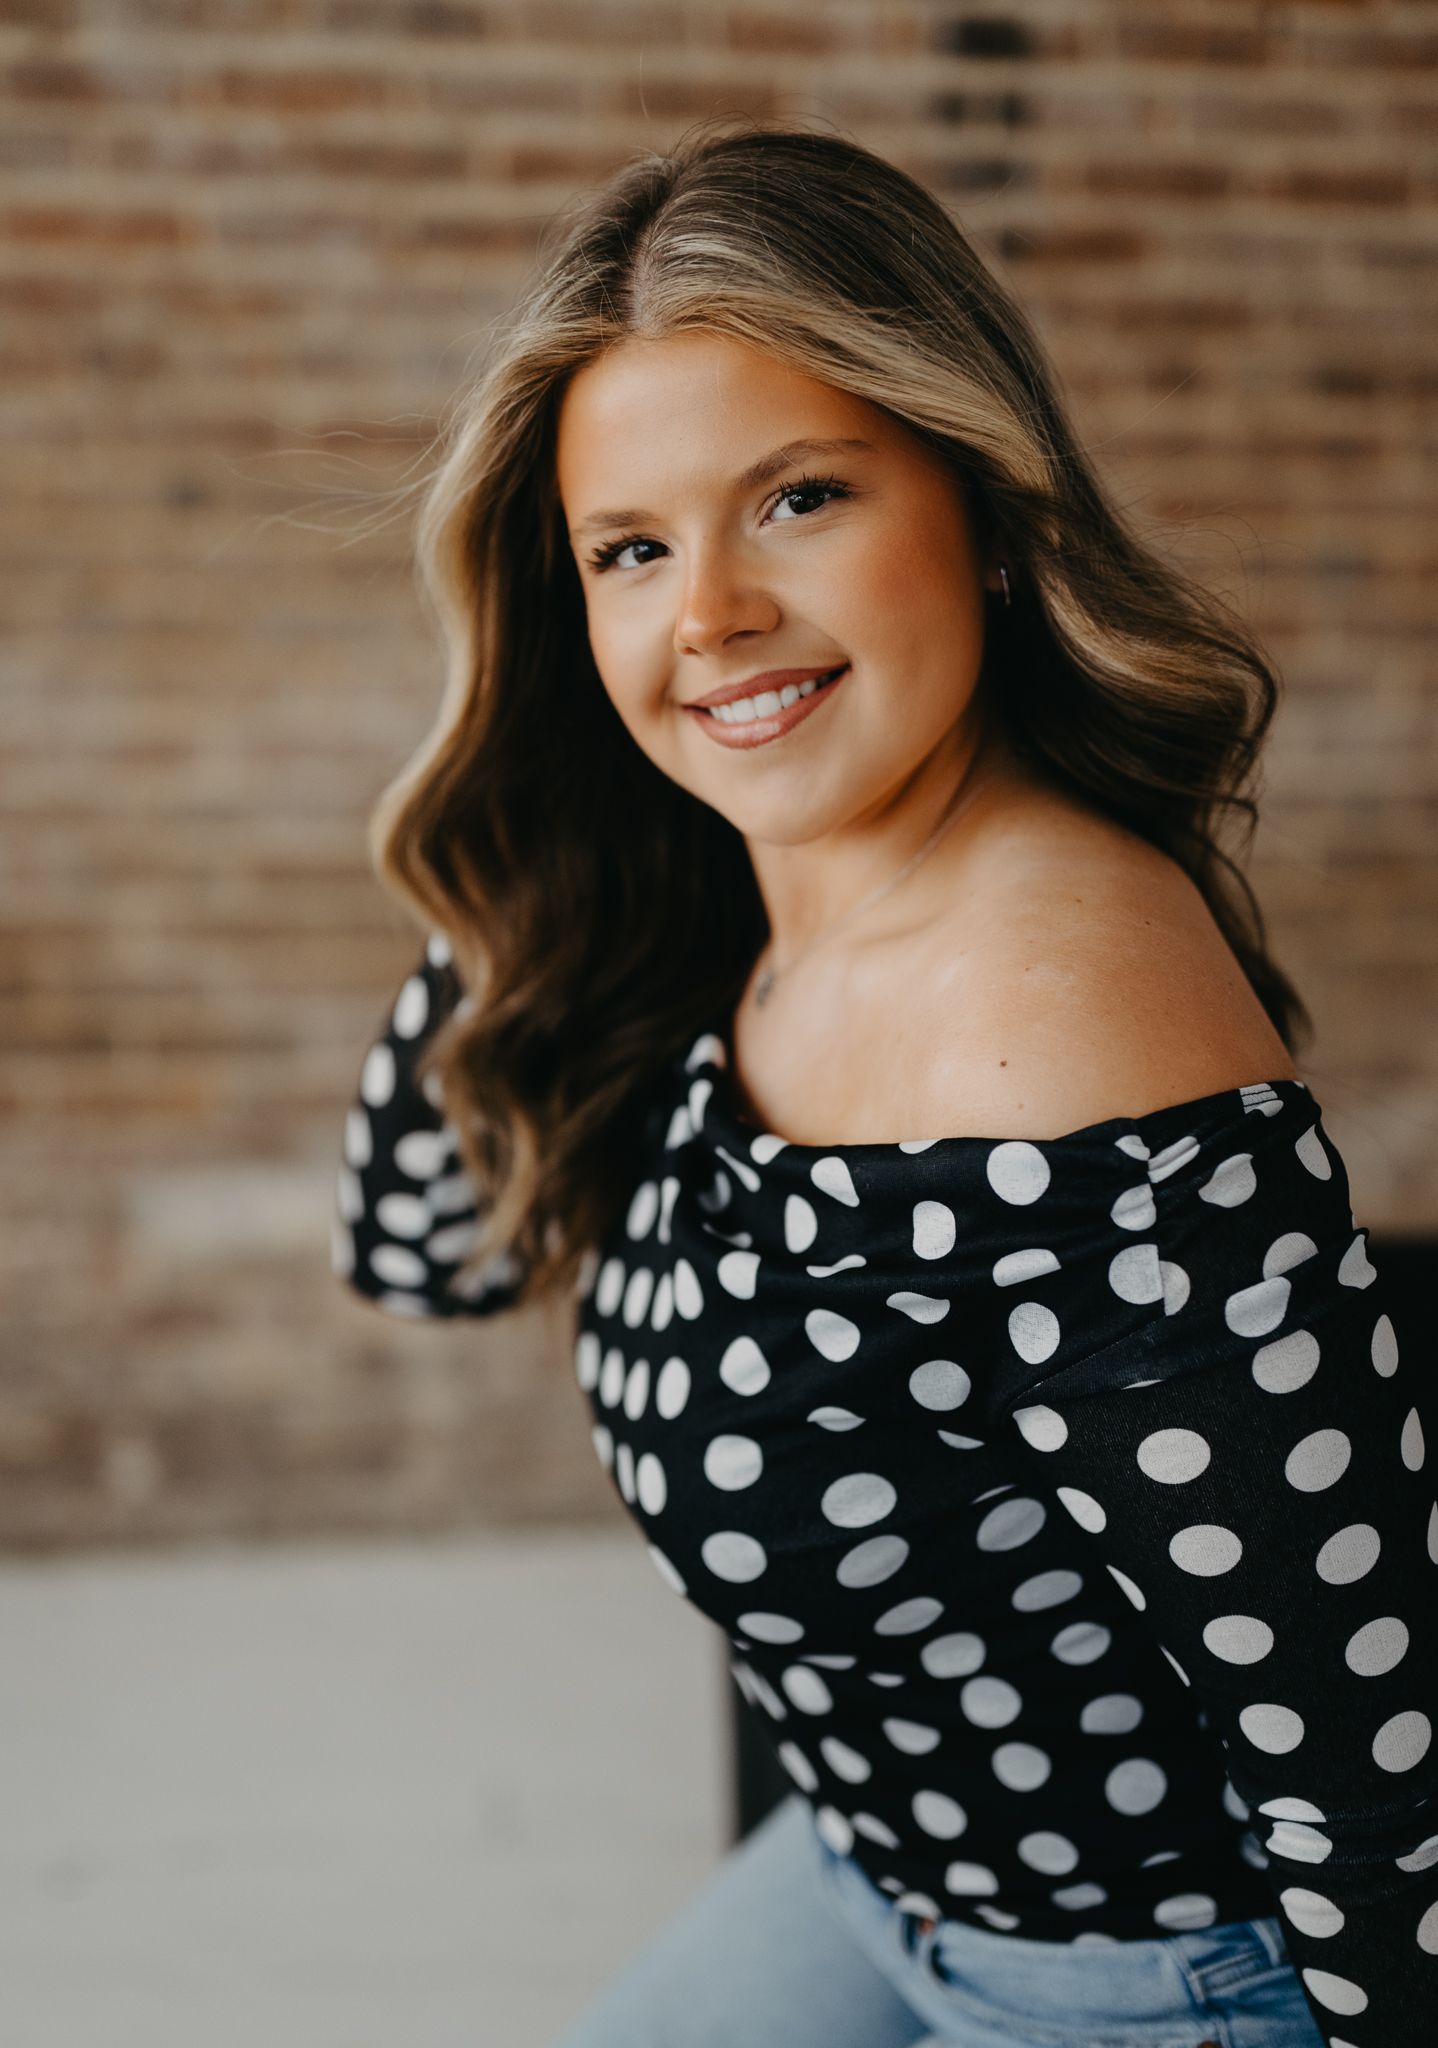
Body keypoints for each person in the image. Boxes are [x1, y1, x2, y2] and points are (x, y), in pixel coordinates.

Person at [331, 119, 1435, 2046]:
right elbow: (415, 1242)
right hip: (867, 1875)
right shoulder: (738, 904)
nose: (710, 619)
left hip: (1152, 1975)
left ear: (989, 512)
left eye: (800, 500)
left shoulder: (1058, 1024)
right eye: (631, 552)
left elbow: (1356, 1723)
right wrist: (531, 809)